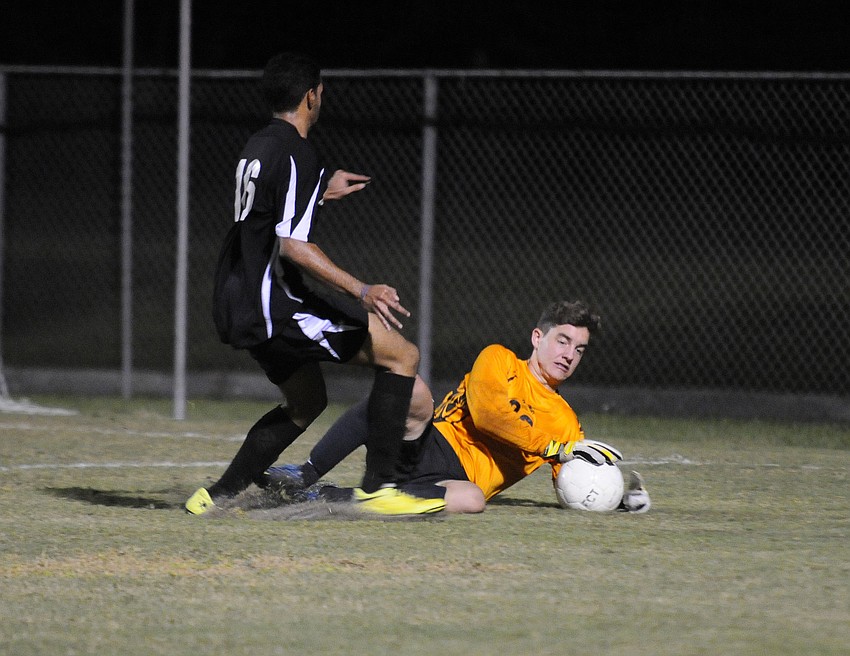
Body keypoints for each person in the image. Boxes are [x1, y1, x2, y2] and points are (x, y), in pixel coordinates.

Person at [185, 52, 444, 516]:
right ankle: (381, 489)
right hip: (274, 301)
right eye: (320, 91)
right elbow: (291, 244)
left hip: (236, 297)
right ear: (311, 95)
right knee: (402, 355)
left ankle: (217, 496)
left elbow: (269, 207)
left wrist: (321, 185)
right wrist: (362, 290)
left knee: (307, 401)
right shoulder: (298, 151)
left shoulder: (259, 145)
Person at [266, 300, 651, 513]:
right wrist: (552, 448)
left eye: (579, 349)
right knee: (412, 390)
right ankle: (307, 474)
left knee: (473, 500)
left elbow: (573, 483)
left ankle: (335, 498)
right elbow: (487, 415)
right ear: (537, 338)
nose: (569, 355)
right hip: (428, 444)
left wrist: (617, 497)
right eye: (563, 341)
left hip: (456, 481)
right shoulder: (497, 360)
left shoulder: (566, 423)